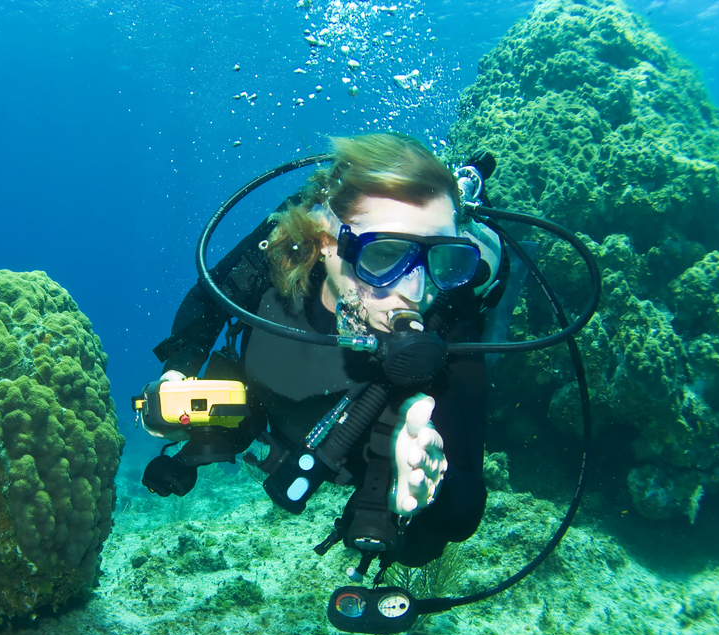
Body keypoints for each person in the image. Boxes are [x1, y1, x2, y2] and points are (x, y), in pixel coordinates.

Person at [140, 133, 506, 580]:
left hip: (358, 455)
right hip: (268, 407)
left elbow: (463, 505)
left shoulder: (449, 315)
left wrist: (428, 489)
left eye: (444, 260)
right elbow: (209, 299)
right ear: (325, 239)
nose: (414, 292)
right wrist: (175, 375)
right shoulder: (279, 254)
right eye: (384, 255)